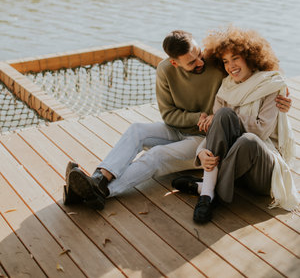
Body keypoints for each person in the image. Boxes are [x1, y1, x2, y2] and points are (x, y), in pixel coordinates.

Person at [64, 30, 291, 210]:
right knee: (136, 130)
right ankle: (98, 180)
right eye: (191, 62)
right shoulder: (165, 70)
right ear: (175, 63)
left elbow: (256, 75)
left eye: (199, 54)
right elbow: (168, 115)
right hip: (180, 127)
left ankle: (101, 192)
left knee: (156, 155)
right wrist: (198, 117)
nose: (200, 62)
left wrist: (284, 99)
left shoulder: (216, 64)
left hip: (206, 136)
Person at [173, 27, 299, 224]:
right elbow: (216, 131)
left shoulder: (271, 85)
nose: (230, 66)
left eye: (235, 58)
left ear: (250, 56)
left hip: (262, 169)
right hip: (237, 168)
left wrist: (231, 115)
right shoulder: (226, 87)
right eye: (225, 61)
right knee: (223, 114)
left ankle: (204, 187)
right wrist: (200, 152)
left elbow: (261, 130)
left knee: (247, 139)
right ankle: (206, 197)